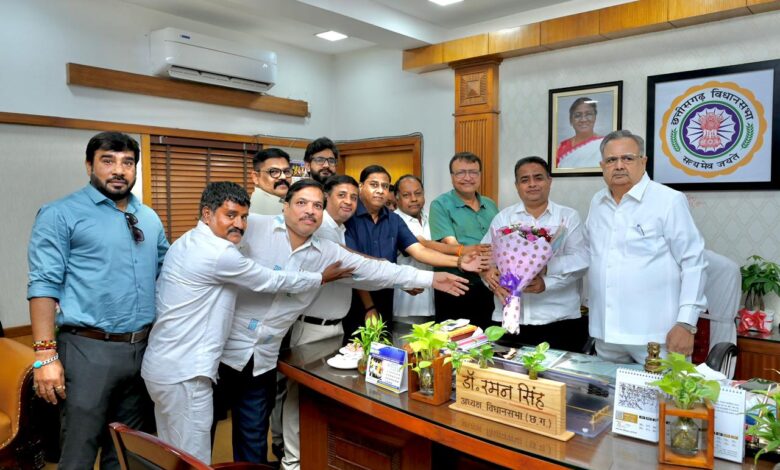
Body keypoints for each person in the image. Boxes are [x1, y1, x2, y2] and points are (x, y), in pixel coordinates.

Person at [219, 179, 470, 465]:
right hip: (218, 346)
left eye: (316, 206)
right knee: (200, 427)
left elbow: (376, 269)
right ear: (285, 206)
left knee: (252, 430)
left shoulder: (326, 250)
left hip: (261, 354)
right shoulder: (255, 226)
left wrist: (431, 279)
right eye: (301, 203)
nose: (309, 211)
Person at [141, 182, 351, 463]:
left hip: (162, 366)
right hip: (185, 372)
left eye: (243, 217)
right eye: (230, 216)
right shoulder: (218, 252)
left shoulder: (187, 241)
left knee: (172, 453)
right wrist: (319, 277)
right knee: (193, 459)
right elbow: (269, 279)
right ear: (207, 214)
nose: (239, 224)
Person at [27, 132, 169, 470]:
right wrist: (44, 356)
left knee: (125, 451)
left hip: (142, 350)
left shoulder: (148, 218)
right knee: (79, 450)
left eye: (127, 162)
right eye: (108, 161)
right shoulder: (60, 214)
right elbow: (43, 284)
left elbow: (168, 273)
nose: (119, 170)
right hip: (87, 351)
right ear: (89, 165)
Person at [586, 130, 707, 363]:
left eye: (628, 158)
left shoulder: (668, 200)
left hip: (657, 336)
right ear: (602, 165)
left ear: (643, 162)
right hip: (606, 334)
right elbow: (589, 255)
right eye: (611, 160)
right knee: (609, 399)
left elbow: (694, 263)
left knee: (666, 399)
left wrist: (686, 323)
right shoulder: (597, 202)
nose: (619, 166)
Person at [344, 165, 488, 341]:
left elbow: (419, 251)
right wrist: (369, 307)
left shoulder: (393, 220)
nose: (380, 191)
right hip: (356, 300)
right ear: (361, 187)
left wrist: (459, 262)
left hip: (387, 299)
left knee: (388, 358)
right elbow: (353, 265)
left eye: (385, 186)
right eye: (374, 185)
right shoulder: (348, 217)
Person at [480, 157, 588, 352]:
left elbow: (580, 261)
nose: (532, 184)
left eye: (538, 178)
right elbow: (485, 257)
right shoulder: (503, 218)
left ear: (549, 181)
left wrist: (546, 279)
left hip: (558, 320)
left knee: (558, 381)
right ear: (517, 185)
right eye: (524, 180)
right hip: (510, 319)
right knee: (511, 379)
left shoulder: (568, 217)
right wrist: (490, 278)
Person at [430, 152, 499, 329]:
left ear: (480, 175)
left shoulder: (490, 204)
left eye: (473, 172)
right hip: (456, 287)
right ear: (452, 177)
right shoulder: (440, 204)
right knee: (454, 346)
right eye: (460, 173)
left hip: (489, 286)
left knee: (486, 341)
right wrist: (483, 266)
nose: (467, 177)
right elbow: (451, 245)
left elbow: (500, 244)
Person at [392, 175, 435, 326]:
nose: (414, 199)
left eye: (418, 193)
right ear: (396, 198)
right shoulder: (392, 221)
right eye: (406, 195)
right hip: (405, 305)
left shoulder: (431, 219)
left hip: (434, 302)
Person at [556, 97, 603, 169]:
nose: (583, 119)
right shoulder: (560, 148)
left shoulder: (604, 144)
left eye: (588, 114)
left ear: (595, 117)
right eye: (578, 115)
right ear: (571, 120)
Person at [250, 148, 293, 215]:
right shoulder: (256, 214)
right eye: (273, 171)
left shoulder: (284, 203)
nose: (283, 177)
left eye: (286, 171)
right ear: (255, 177)